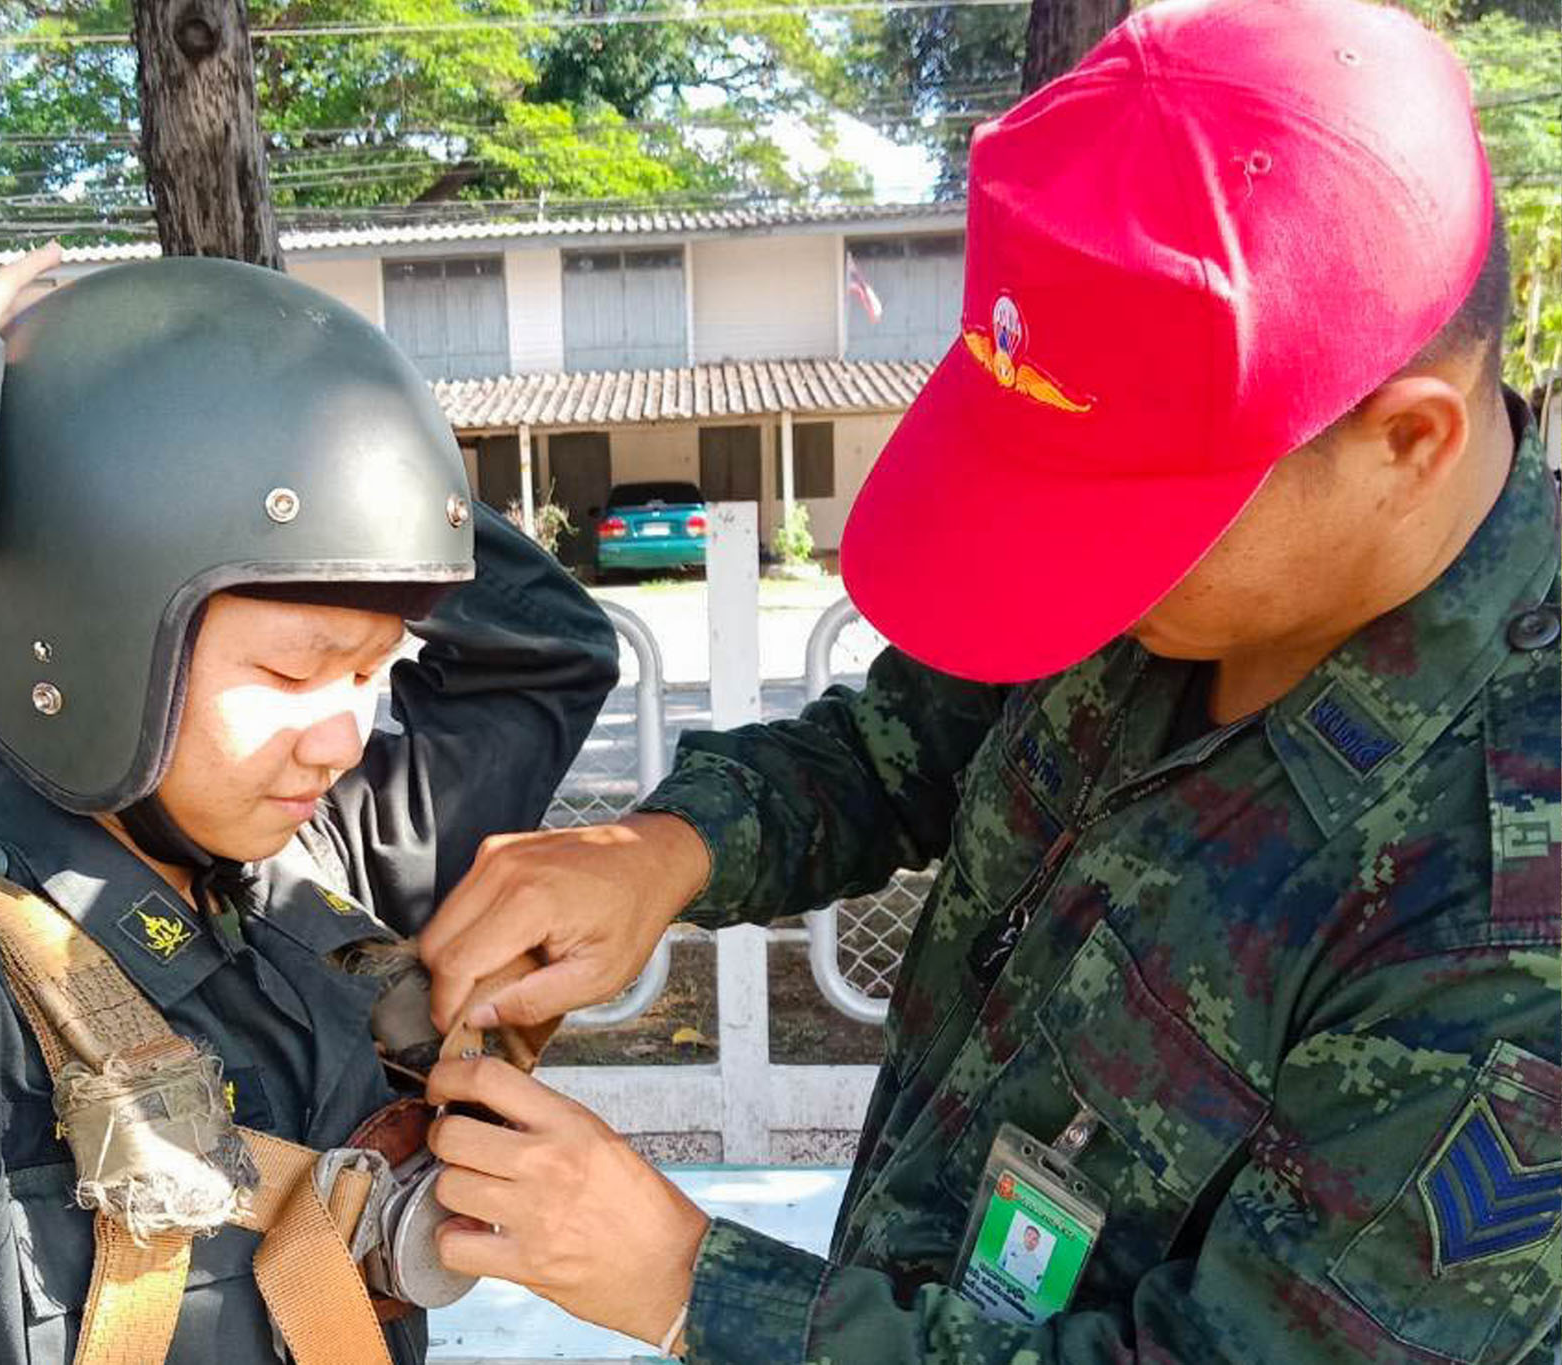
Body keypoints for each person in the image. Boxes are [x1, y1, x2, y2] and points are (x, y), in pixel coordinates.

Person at [413, 1, 1562, 1360]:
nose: (1079, 585)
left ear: (1405, 440)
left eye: (1123, 530)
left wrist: (689, 1284)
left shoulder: (1506, 910)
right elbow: (904, 741)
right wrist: (664, 851)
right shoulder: (1176, 589)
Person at [0, 247, 619, 1363]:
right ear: (80, 635)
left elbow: (544, 656)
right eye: (289, 673)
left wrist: (334, 463)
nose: (340, 738)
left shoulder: (317, 871)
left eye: (371, 670)